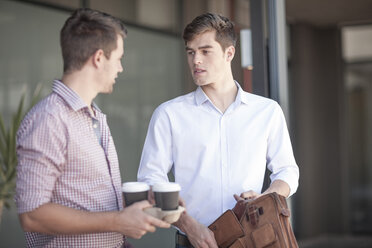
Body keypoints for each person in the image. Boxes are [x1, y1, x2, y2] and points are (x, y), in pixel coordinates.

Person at [137, 13, 299, 248]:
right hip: (192, 242)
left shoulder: (267, 111)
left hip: (252, 239)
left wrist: (267, 197)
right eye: (191, 52)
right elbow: (151, 180)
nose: (196, 61)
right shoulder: (169, 114)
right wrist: (188, 225)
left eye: (205, 51)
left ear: (229, 53)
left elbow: (287, 171)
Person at [15, 8, 170, 248]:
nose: (120, 68)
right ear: (99, 58)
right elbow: (33, 215)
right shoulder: (48, 120)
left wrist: (145, 203)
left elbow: (89, 196)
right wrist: (118, 221)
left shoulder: (95, 116)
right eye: (118, 59)